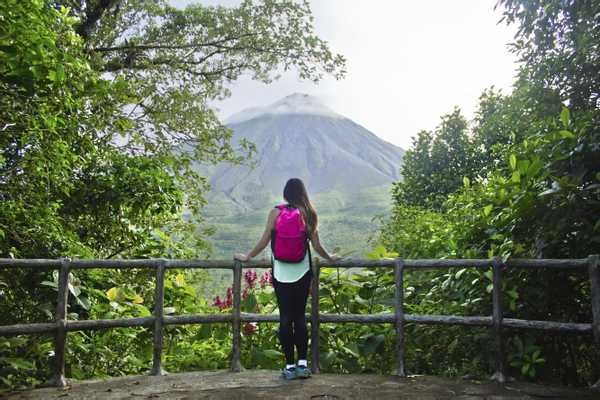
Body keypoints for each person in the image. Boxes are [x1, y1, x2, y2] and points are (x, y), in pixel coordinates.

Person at [234, 178, 341, 380]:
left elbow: (265, 240)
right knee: (299, 317)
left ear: (285, 193)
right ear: (303, 193)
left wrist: (248, 256)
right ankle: (303, 364)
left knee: (285, 318)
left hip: (281, 271)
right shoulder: (308, 213)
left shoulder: (276, 212)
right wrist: (330, 258)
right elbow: (317, 246)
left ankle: (289, 367)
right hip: (302, 271)